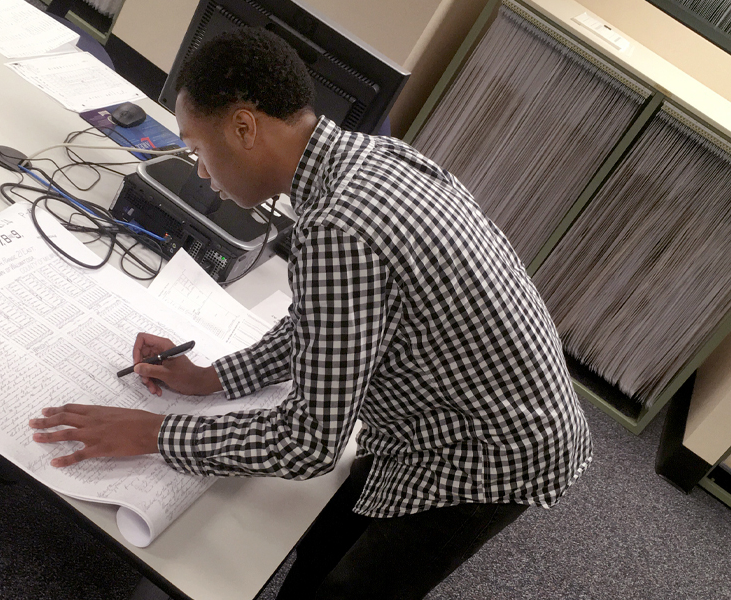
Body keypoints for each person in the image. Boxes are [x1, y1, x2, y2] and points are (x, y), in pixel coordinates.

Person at [29, 27, 592, 600]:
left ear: (244, 128)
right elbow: (324, 323)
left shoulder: (338, 227)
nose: (199, 171)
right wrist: (215, 377)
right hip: (448, 409)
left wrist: (155, 432)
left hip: (493, 452)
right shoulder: (372, 159)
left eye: (198, 149)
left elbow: (308, 442)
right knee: (325, 543)